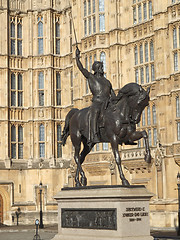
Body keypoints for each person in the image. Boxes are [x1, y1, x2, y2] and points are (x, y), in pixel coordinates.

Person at [75, 47, 117, 144]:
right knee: (94, 114)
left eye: (102, 67)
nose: (102, 69)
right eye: (101, 67)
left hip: (107, 103)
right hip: (97, 103)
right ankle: (94, 135)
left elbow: (113, 95)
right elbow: (82, 69)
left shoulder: (107, 82)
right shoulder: (91, 77)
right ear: (97, 69)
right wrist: (77, 58)